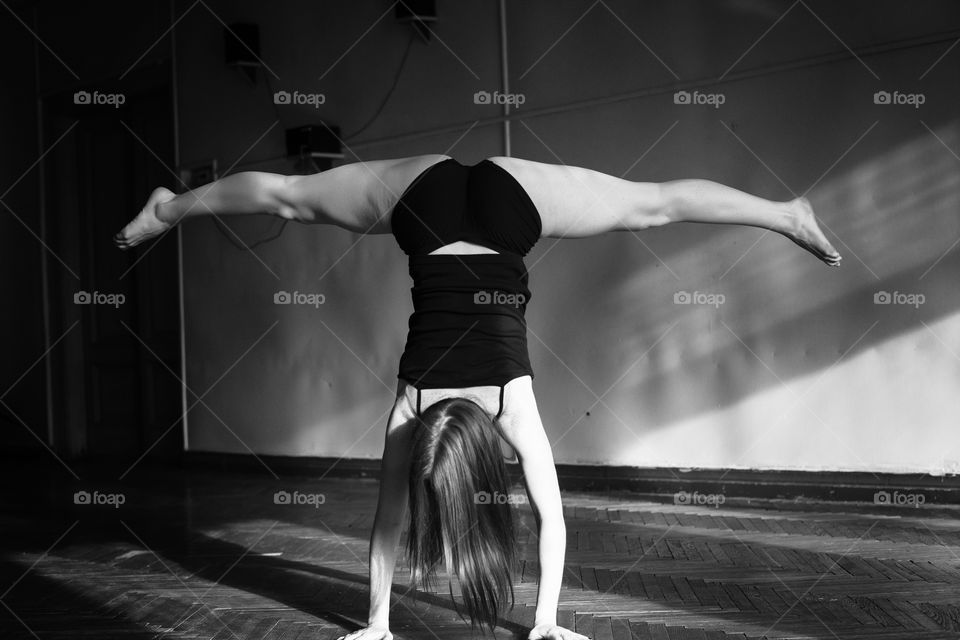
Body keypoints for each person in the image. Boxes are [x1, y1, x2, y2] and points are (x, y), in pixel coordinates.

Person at [115, 154, 840, 640]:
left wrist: (392, 628)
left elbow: (538, 522)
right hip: (425, 206)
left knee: (289, 196)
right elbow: (392, 523)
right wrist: (533, 625)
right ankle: (786, 212)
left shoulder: (508, 406)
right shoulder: (414, 409)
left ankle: (171, 207)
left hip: (502, 214)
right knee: (651, 205)